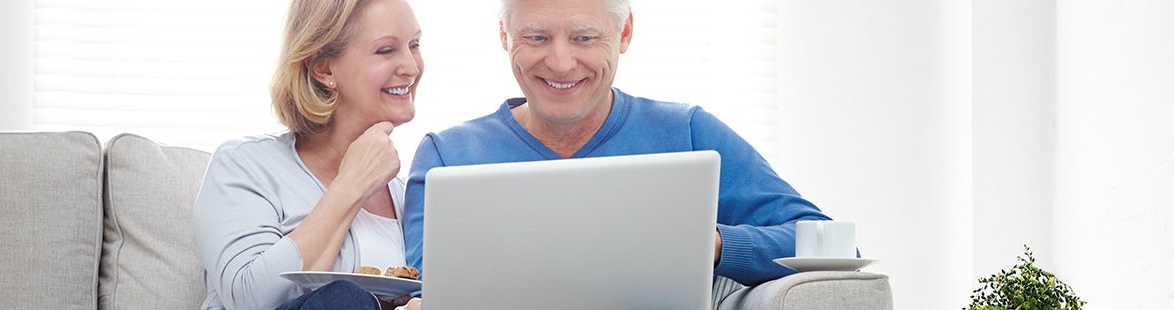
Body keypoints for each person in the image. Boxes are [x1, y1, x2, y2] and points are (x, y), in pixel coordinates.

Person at [401, 0, 834, 299]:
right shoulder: (447, 156)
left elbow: (830, 244)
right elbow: (423, 289)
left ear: (624, 32)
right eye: (535, 38)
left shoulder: (686, 132)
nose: (561, 62)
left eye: (585, 38)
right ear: (504, 35)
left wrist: (713, 243)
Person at [192, 0, 424, 308]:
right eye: (385, 50)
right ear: (323, 68)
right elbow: (249, 299)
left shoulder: (408, 196)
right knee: (344, 299)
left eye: (414, 45)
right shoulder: (245, 166)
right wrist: (352, 184)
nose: (411, 66)